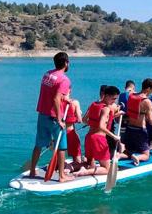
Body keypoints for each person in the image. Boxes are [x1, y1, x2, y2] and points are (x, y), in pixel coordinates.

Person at [29, 52, 74, 182]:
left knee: (38, 144)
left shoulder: (47, 75)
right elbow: (55, 99)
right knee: (61, 147)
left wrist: (64, 98)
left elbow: (52, 93)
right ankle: (61, 176)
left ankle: (32, 171)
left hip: (42, 114)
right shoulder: (64, 79)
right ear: (66, 63)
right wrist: (60, 119)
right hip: (55, 118)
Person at [75, 86, 121, 176]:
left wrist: (94, 123)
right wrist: (114, 136)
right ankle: (85, 172)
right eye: (113, 99)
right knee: (107, 169)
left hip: (89, 137)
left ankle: (70, 167)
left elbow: (84, 120)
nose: (114, 101)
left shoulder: (93, 104)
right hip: (99, 139)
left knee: (89, 164)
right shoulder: (106, 109)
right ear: (107, 96)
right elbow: (101, 126)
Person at [122, 78, 152, 166]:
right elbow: (151, 120)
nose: (151, 92)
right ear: (148, 89)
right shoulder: (147, 101)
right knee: (147, 155)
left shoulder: (131, 96)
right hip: (140, 131)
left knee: (128, 151)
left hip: (129, 129)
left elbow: (139, 109)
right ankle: (137, 157)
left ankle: (118, 155)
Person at [62, 88, 83, 171]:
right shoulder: (75, 102)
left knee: (61, 152)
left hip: (60, 132)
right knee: (77, 155)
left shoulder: (58, 102)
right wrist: (79, 113)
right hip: (70, 132)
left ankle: (61, 165)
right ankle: (73, 168)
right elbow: (80, 120)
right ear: (70, 91)